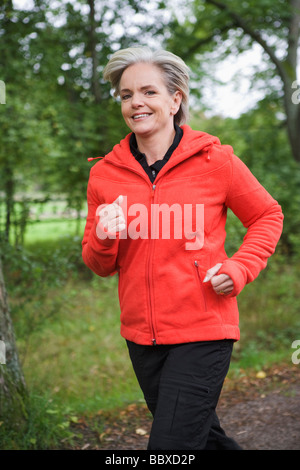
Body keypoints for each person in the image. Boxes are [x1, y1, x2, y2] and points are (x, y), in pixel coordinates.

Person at [82, 47, 283, 450]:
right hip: (142, 336)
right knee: (203, 438)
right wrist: (104, 235)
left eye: (148, 91)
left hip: (204, 328)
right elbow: (98, 264)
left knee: (170, 446)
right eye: (126, 95)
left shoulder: (217, 162)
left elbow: (267, 215)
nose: (136, 101)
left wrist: (240, 268)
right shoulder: (104, 175)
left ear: (175, 100)